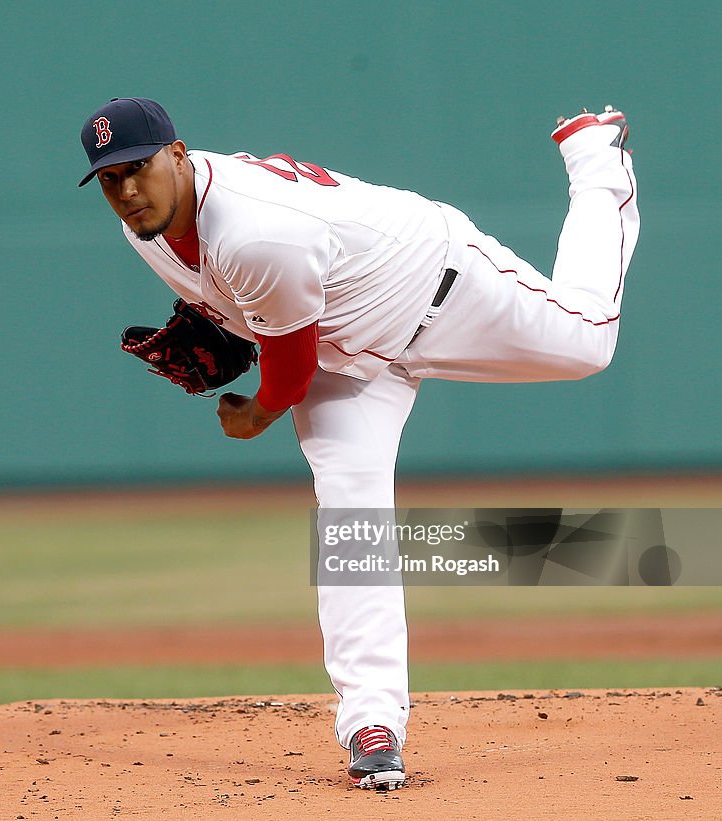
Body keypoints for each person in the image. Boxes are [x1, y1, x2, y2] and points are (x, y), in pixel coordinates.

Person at [77, 97, 638, 790]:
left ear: (179, 154)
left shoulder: (256, 231)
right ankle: (373, 723)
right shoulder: (147, 227)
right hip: (347, 360)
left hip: (440, 288)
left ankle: (597, 160)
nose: (128, 190)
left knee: (589, 341)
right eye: (109, 179)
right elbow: (251, 311)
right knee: (349, 511)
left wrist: (253, 415)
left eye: (139, 168)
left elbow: (288, 373)